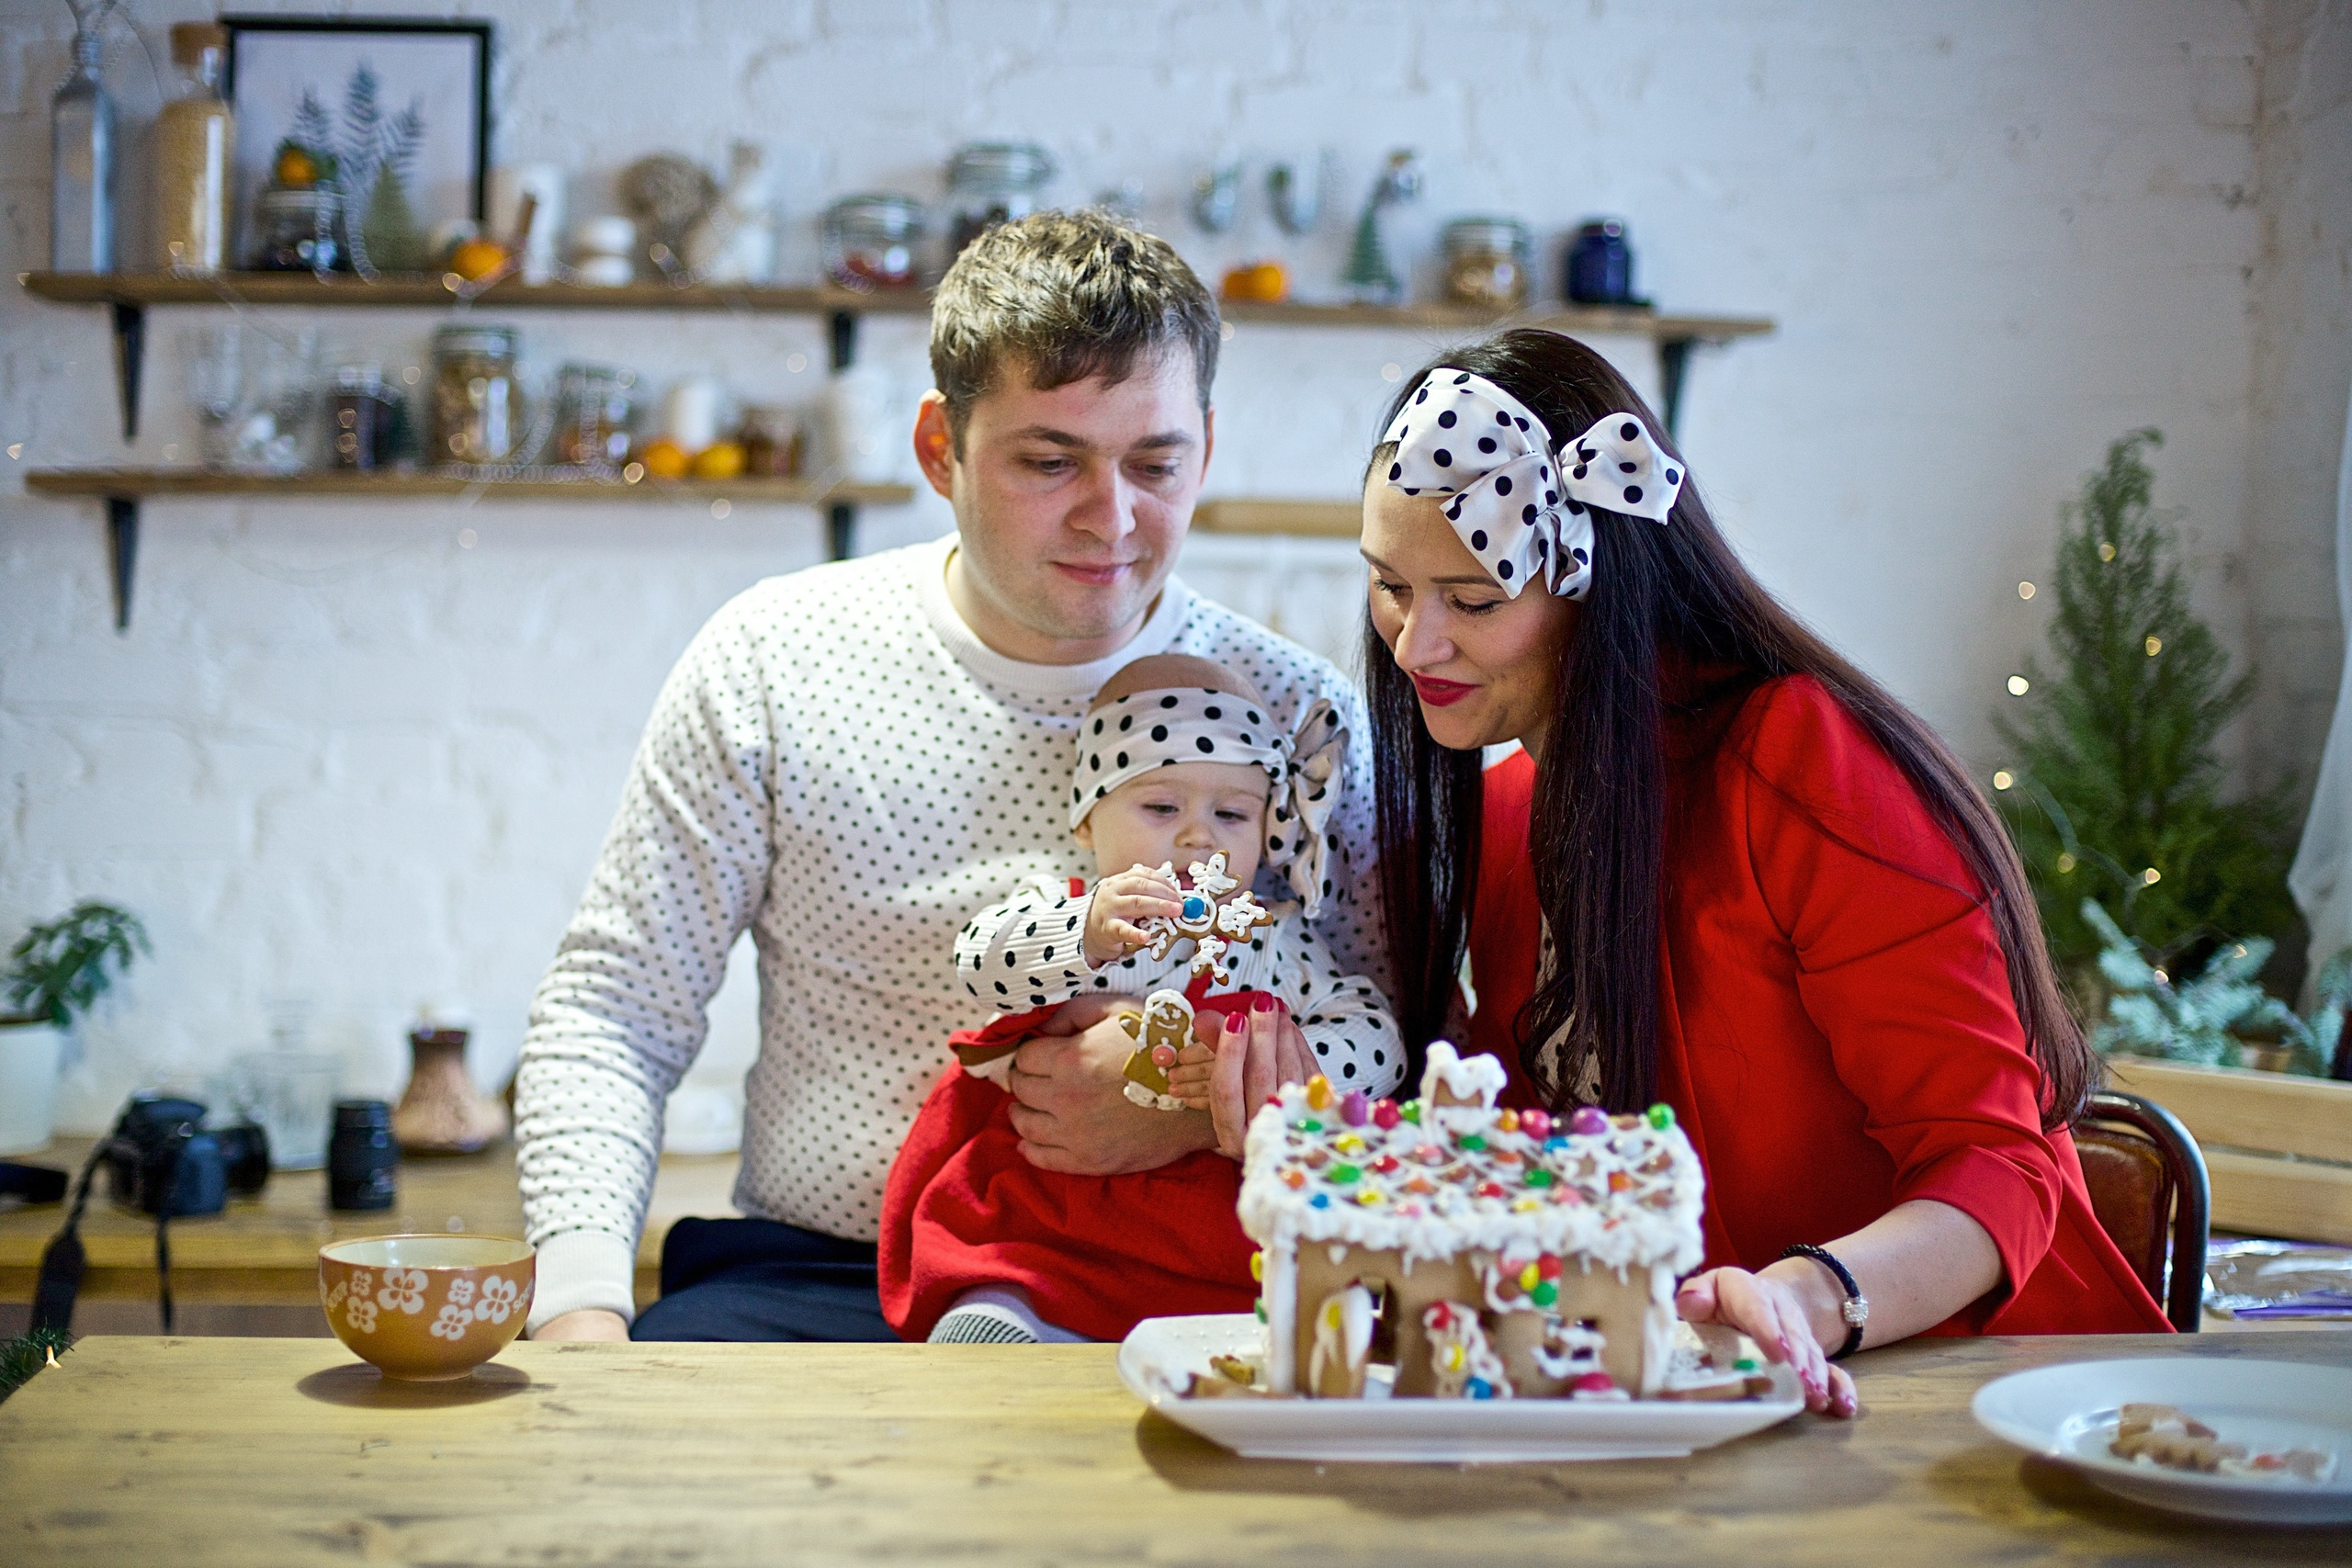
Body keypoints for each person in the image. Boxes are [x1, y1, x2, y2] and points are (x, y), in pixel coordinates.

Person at [515, 211, 1385, 1344]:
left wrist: (1187, 1101)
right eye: (1048, 460)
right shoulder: (775, 658)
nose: (1110, 516)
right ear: (940, 448)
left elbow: (1392, 1044)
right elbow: (613, 1010)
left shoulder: (1297, 711)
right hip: (818, 1281)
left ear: (1205, 451)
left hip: (1196, 1272)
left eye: (1154, 463)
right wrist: (577, 1312)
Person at [1346, 329, 2170, 1416]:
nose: (1414, 646)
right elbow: (1531, 1156)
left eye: (1474, 598)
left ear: (1595, 586)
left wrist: (1814, 1296)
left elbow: (1997, 1168)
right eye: (1390, 586)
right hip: (1721, 1409)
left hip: (1991, 1397)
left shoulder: (1796, 762)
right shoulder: (1508, 816)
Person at [879, 651, 1401, 1344]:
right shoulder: (1064, 912)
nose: (1197, 834)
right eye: (1161, 805)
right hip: (1052, 1211)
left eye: (1232, 814)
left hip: (1209, 1228)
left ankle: (1239, 1344)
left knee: (1288, 1278)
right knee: (1006, 1282)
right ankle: (1008, 1318)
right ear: (1088, 824)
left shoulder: (1273, 941)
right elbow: (980, 965)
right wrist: (1084, 935)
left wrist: (1257, 1070)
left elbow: (1380, 1043)